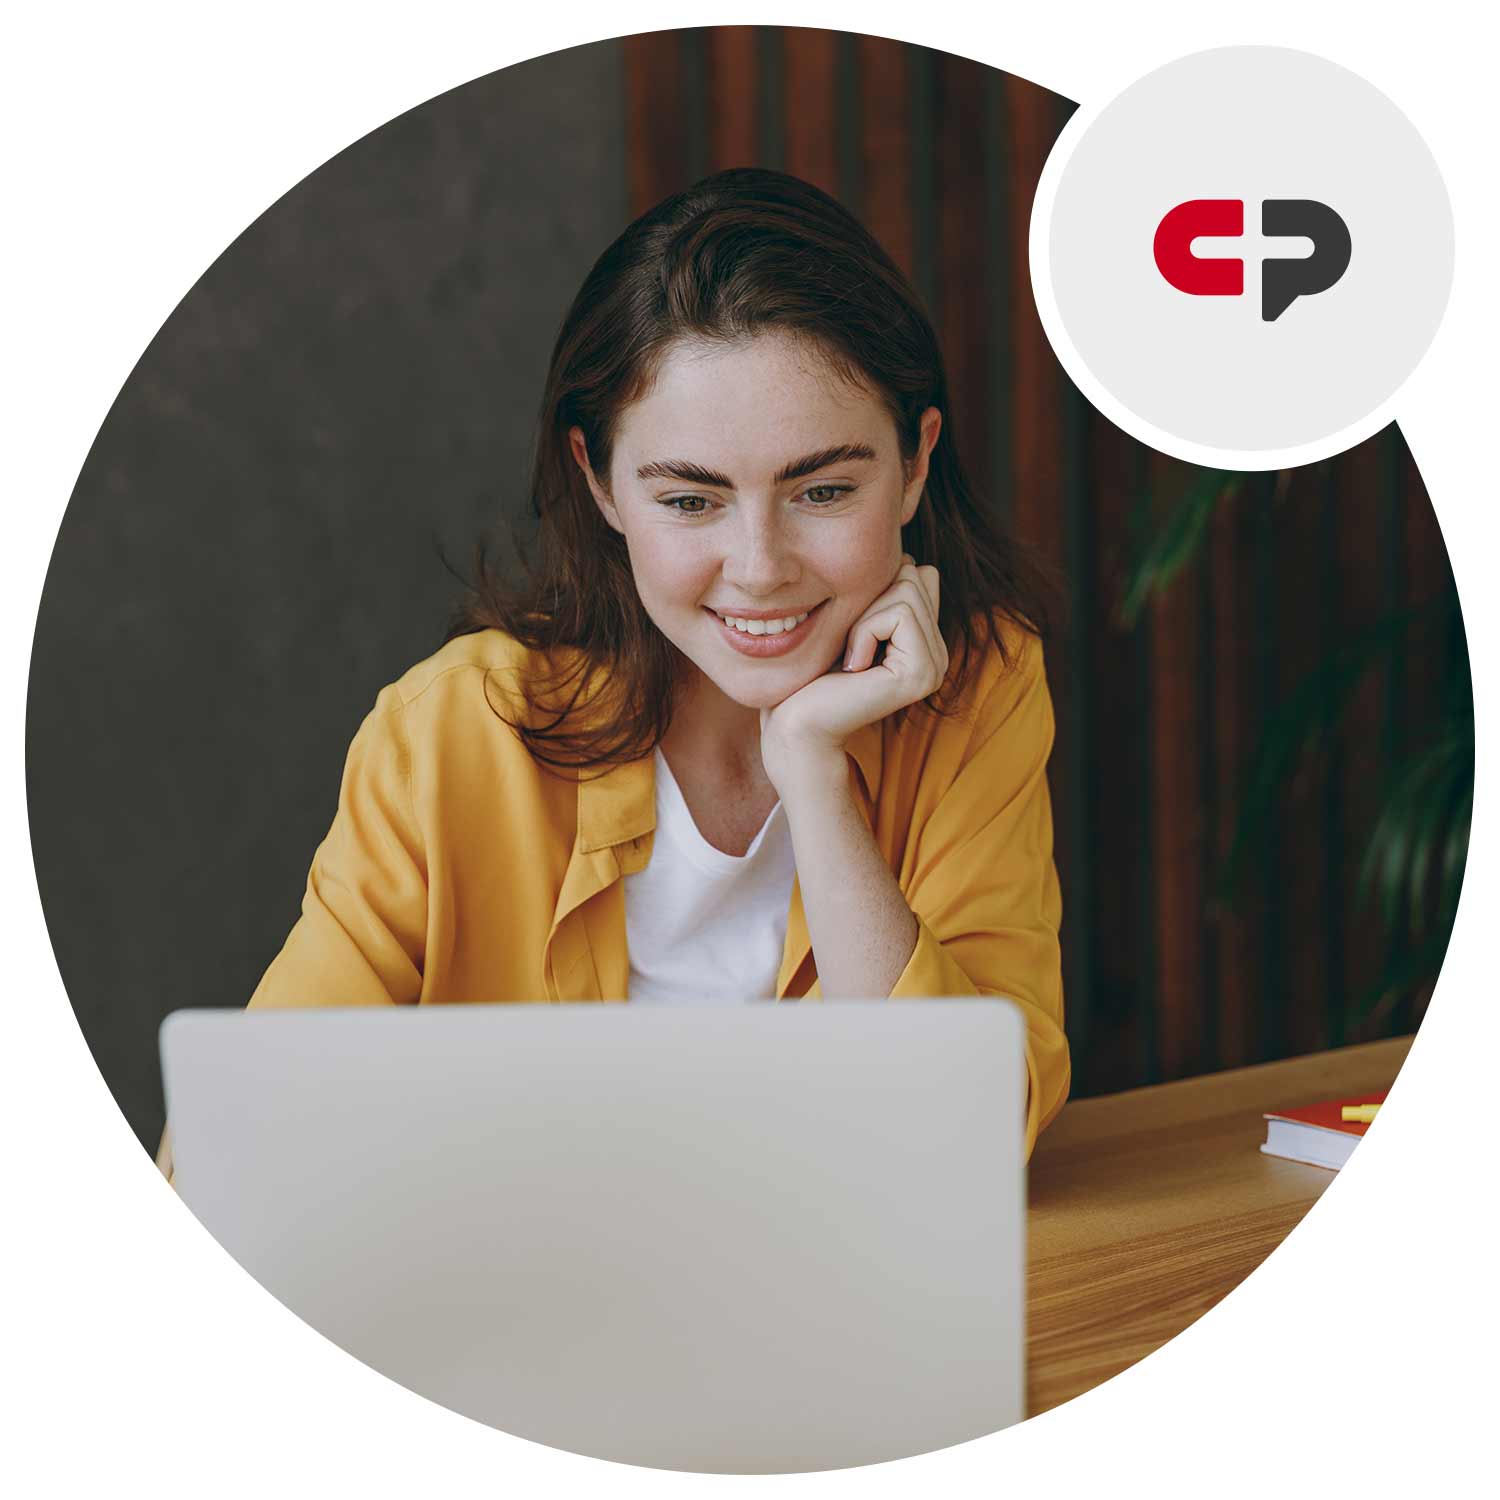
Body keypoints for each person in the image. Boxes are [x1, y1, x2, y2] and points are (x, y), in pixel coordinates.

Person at [157, 166, 1070, 1181]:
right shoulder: (454, 731)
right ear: (598, 482)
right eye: (691, 502)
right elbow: (227, 1155)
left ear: (914, 466)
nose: (760, 567)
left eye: (822, 488)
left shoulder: (978, 692)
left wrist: (813, 770)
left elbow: (968, 1139)